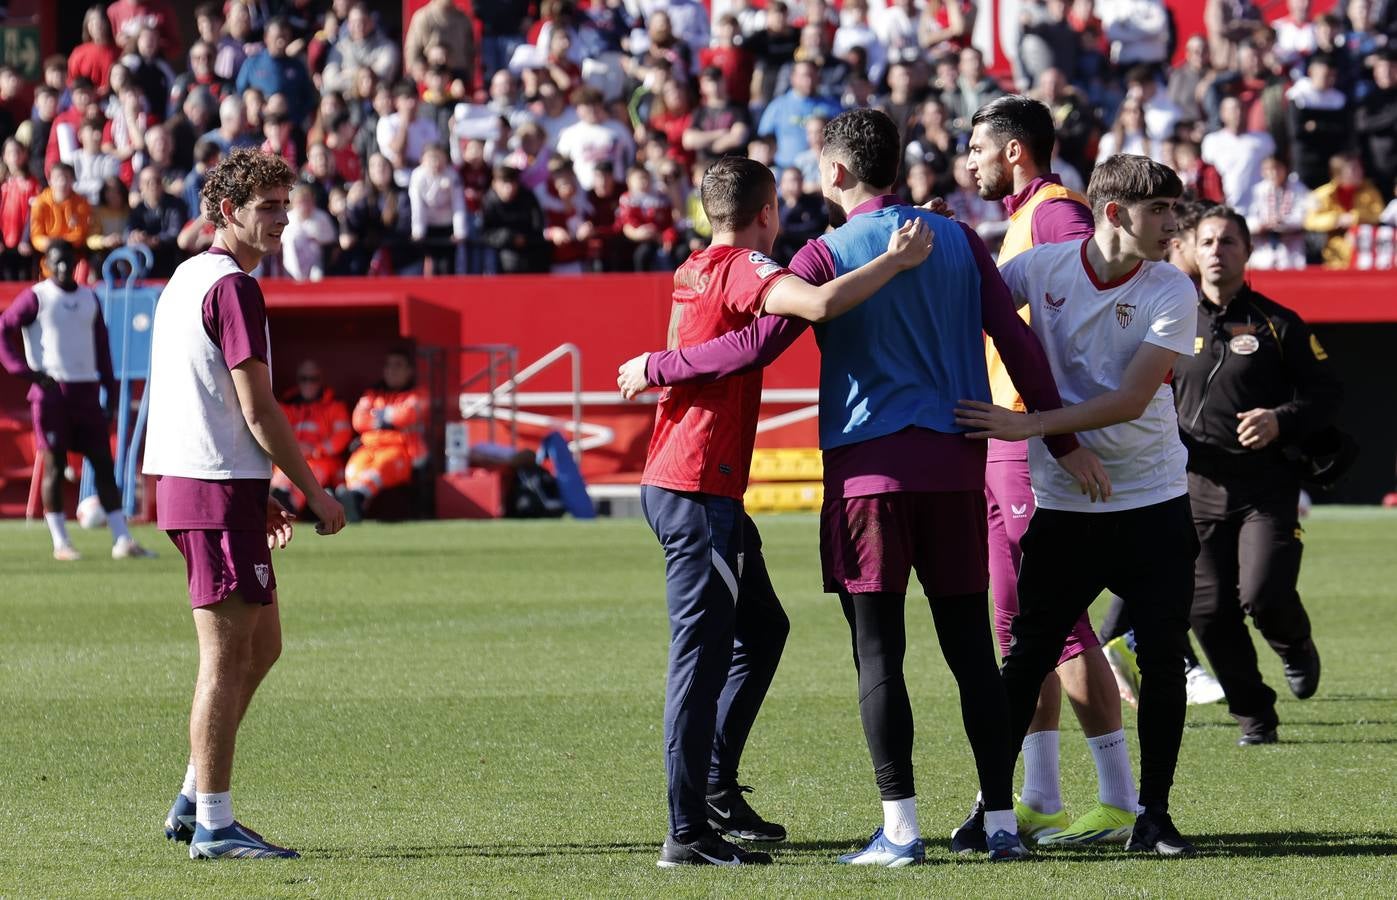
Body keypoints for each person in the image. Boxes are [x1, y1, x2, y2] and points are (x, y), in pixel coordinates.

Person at [619, 108, 1106, 866]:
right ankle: (1002, 824)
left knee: (878, 654)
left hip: (866, 478)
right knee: (972, 652)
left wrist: (657, 367)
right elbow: (1015, 340)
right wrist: (1064, 436)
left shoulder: (823, 254)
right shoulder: (956, 238)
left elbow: (754, 344)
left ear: (837, 172)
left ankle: (901, 830)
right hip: (953, 471)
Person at [629, 154, 932, 868]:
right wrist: (891, 261)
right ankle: (686, 831)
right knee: (698, 660)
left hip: (698, 485)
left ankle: (712, 785)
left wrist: (659, 365)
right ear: (768, 212)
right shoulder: (743, 268)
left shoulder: (694, 266)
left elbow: (750, 345)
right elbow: (817, 307)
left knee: (762, 630)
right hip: (697, 490)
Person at [953, 153, 1203, 857]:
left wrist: (1029, 427)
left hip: (1153, 500)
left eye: (1174, 210)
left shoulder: (1171, 290)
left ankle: (1151, 815)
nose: (1172, 225)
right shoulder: (1041, 268)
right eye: (1160, 211)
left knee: (1159, 658)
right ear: (1116, 214)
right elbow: (974, 307)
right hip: (1064, 505)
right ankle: (995, 812)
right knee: (1027, 655)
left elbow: (1130, 400)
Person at [144, 148, 346, 859]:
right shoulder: (231, 287)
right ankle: (215, 825)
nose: (282, 221)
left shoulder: (186, 278)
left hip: (203, 482)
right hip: (210, 486)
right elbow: (258, 409)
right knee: (224, 660)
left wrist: (253, 492)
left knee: (263, 645)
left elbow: (205, 401)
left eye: (285, 207)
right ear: (228, 210)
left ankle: (193, 800)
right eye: (268, 207)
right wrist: (311, 490)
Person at [956, 95, 1139, 850]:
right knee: (1014, 622)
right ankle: (1038, 796)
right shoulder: (1025, 215)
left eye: (975, 147)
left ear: (1011, 153)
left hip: (1032, 439)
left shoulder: (1057, 214)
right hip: (1007, 435)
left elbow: (1098, 298)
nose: (967, 160)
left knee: (1052, 619)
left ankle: (1120, 800)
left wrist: (1062, 430)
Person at [1174, 206, 1341, 744]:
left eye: (1228, 242)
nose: (1217, 252)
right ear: (1193, 252)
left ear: (1247, 252)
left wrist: (1278, 419)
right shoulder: (1172, 320)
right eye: (1207, 242)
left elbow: (1326, 395)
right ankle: (1254, 717)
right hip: (1197, 487)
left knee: (1263, 594)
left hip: (1265, 486)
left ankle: (1295, 646)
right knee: (1207, 611)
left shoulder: (1279, 322)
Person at [0, 240, 156, 561]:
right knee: (55, 465)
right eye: (56, 262)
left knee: (101, 462)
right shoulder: (37, 297)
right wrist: (25, 372)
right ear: (46, 264)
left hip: (86, 391)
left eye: (68, 261)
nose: (63, 267)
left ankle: (122, 539)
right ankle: (60, 542)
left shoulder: (89, 298)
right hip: (51, 392)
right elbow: (3, 330)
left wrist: (110, 394)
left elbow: (103, 350)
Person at [338, 349, 428, 523]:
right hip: (369, 447)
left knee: (378, 469)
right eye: (388, 365)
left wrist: (377, 416)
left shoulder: (417, 393)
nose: (392, 370)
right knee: (354, 468)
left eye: (398, 365)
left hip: (401, 451)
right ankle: (353, 500)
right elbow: (358, 420)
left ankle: (355, 498)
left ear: (409, 371)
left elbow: (408, 414)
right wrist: (389, 419)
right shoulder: (372, 394)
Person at [270, 359, 352, 514]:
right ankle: (279, 500)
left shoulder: (334, 405)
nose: (308, 383)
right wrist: (294, 450)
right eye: (304, 379)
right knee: (281, 478)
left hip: (323, 460)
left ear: (320, 380)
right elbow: (274, 433)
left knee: (307, 476)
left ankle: (288, 508)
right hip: (292, 458)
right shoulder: (287, 405)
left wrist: (315, 449)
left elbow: (342, 436)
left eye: (313, 379)